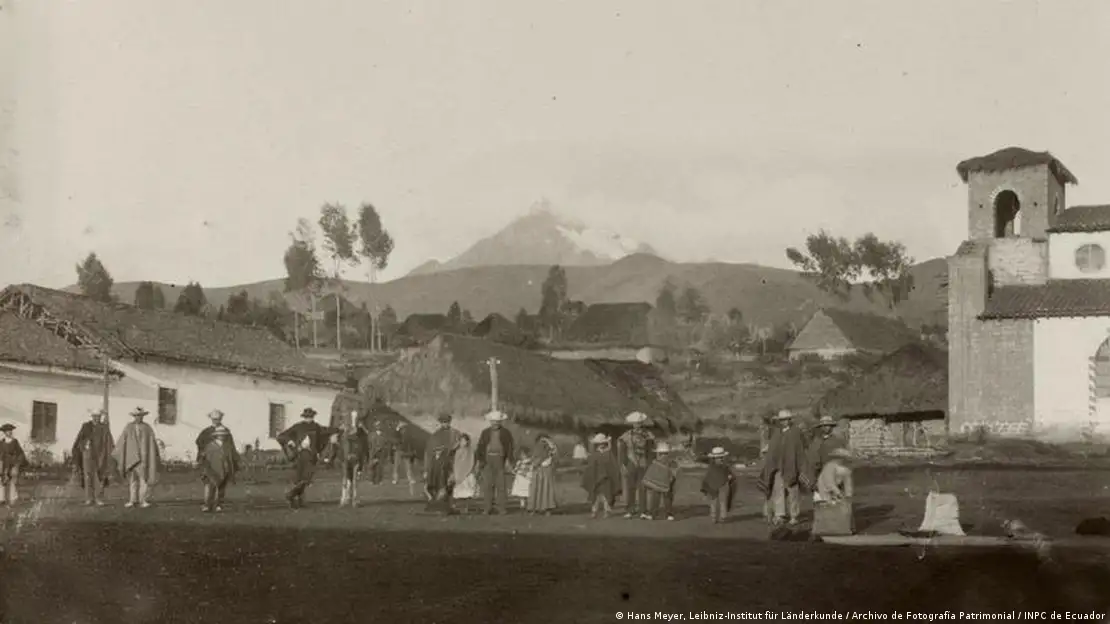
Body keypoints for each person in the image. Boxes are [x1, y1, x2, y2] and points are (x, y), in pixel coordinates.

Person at [276, 407, 340, 509]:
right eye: (307, 417)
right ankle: (297, 500)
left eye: (310, 417)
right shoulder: (298, 427)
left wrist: (340, 429)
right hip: (299, 455)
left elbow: (328, 430)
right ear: (304, 417)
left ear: (313, 417)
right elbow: (281, 436)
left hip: (311, 456)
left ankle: (291, 495)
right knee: (299, 479)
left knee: (306, 478)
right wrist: (289, 441)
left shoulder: (316, 427)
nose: (308, 418)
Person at [758, 409, 808, 526]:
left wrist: (800, 466)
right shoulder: (777, 433)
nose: (784, 422)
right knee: (778, 491)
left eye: (786, 419)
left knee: (793, 492)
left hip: (792, 466)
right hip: (778, 467)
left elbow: (800, 450)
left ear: (790, 420)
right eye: (781, 420)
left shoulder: (796, 432)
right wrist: (771, 463)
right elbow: (772, 450)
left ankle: (794, 515)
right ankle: (780, 515)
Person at [112, 407, 161, 509]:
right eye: (137, 416)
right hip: (131, 457)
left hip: (144, 457)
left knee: (144, 479)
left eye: (140, 416)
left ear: (143, 416)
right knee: (133, 480)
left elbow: (151, 443)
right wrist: (119, 452)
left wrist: (152, 455)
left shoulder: (147, 428)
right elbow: (122, 441)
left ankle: (143, 500)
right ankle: (132, 500)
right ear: (134, 416)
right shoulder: (128, 427)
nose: (139, 417)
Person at [195, 410, 241, 513]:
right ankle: (207, 504)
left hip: (223, 462)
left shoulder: (226, 431)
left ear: (221, 419)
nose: (216, 421)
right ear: (211, 419)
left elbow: (231, 447)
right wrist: (202, 456)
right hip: (209, 462)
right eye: (214, 419)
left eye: (218, 419)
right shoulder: (206, 432)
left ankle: (218, 504)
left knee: (222, 484)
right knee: (209, 483)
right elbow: (199, 443)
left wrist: (234, 461)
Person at [70, 409, 114, 506]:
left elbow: (109, 442)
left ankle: (98, 498)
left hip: (100, 454)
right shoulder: (86, 426)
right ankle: (89, 498)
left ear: (100, 417)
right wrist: (84, 445)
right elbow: (79, 440)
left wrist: (109, 454)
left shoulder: (104, 428)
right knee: (88, 476)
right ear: (92, 416)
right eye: (94, 416)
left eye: (98, 416)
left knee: (99, 476)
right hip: (87, 454)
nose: (96, 418)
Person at [617, 411, 656, 519]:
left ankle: (643, 510)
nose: (637, 425)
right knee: (630, 487)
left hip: (644, 463)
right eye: (635, 423)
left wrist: (651, 462)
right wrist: (623, 463)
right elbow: (622, 451)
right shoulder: (626, 435)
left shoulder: (648, 435)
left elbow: (651, 450)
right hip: (631, 462)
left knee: (642, 487)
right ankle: (630, 509)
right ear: (632, 424)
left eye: (639, 423)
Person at [475, 410, 515, 515]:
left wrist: (509, 460)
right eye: (493, 421)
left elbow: (510, 448)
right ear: (490, 421)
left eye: (497, 421)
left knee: (501, 485)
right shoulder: (485, 432)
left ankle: (502, 508)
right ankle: (487, 508)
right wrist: (479, 461)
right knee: (488, 485)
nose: (495, 423)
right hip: (487, 460)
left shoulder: (506, 433)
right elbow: (480, 447)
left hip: (500, 459)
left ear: (500, 422)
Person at [423, 413, 463, 513]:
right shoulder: (435, 435)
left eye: (447, 422)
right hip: (437, 464)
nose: (445, 424)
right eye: (443, 422)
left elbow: (460, 446)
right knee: (438, 483)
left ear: (450, 422)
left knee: (450, 484)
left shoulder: (455, 433)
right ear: (440, 423)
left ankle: (450, 505)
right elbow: (429, 451)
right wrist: (427, 468)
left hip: (451, 462)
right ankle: (438, 505)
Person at [812, 447, 855, 537]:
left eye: (843, 458)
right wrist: (837, 492)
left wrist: (848, 495)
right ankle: (824, 529)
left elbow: (848, 482)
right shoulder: (830, 466)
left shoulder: (846, 469)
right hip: (823, 488)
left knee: (842, 507)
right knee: (826, 507)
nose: (841, 460)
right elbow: (829, 481)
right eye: (840, 458)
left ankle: (843, 528)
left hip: (836, 488)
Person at [334, 410, 370, 508]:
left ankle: (352, 498)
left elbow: (366, 434)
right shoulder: (345, 430)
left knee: (353, 478)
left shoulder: (360, 430)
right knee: (346, 477)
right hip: (346, 456)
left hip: (355, 456)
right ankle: (345, 498)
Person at [581, 433, 620, 519]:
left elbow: (613, 467)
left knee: (607, 496)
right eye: (599, 443)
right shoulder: (594, 454)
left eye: (603, 443)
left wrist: (612, 476)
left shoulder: (609, 454)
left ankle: (607, 511)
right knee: (595, 496)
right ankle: (594, 511)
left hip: (607, 479)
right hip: (596, 478)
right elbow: (590, 467)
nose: (601, 445)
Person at [804, 415, 845, 492]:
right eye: (824, 425)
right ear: (820, 427)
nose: (826, 427)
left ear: (832, 427)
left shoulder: (837, 441)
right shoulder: (816, 442)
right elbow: (812, 462)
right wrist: (812, 480)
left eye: (828, 425)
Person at [642, 441, 679, 521]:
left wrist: (671, 478)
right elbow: (651, 474)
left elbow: (674, 472)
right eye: (661, 454)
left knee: (663, 498)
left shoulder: (666, 462)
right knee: (660, 498)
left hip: (663, 484)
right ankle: (658, 514)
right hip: (661, 484)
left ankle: (663, 513)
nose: (662, 456)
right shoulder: (657, 463)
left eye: (664, 454)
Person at [701, 446, 736, 524]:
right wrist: (706, 487)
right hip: (712, 487)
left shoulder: (725, 467)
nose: (721, 459)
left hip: (724, 485)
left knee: (723, 501)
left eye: (722, 457)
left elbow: (730, 474)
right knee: (713, 502)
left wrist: (730, 477)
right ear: (714, 459)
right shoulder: (711, 468)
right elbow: (708, 478)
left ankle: (723, 516)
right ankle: (714, 517)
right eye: (719, 458)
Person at [526, 435, 558, 515]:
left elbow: (552, 455)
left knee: (544, 488)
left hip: (544, 469)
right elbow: (537, 457)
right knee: (539, 488)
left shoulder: (550, 447)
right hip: (540, 469)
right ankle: (537, 508)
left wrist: (535, 463)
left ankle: (545, 508)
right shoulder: (540, 447)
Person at [0, 423, 27, 507]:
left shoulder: (15, 442)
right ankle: (1, 499)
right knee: (2, 481)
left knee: (13, 481)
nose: (9, 432)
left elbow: (20, 453)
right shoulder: (1, 442)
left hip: (13, 463)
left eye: (10, 430)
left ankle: (13, 499)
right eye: (7, 431)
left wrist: (17, 464)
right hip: (4, 463)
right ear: (4, 432)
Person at [452, 433, 477, 513]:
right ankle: (459, 507)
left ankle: (466, 507)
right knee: (459, 492)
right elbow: (456, 463)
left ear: (467, 442)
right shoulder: (457, 451)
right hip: (459, 474)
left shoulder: (470, 451)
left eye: (464, 441)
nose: (463, 443)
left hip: (467, 474)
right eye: (461, 441)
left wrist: (466, 473)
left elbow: (471, 463)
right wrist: (456, 474)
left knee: (467, 492)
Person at [366, 420, 391, 485]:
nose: (378, 427)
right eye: (377, 425)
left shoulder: (383, 435)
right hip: (373, 452)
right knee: (372, 467)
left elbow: (386, 444)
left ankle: (379, 480)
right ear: (375, 426)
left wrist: (385, 452)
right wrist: (371, 451)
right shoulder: (372, 434)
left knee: (380, 467)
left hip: (381, 452)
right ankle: (371, 480)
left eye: (379, 425)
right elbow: (369, 444)